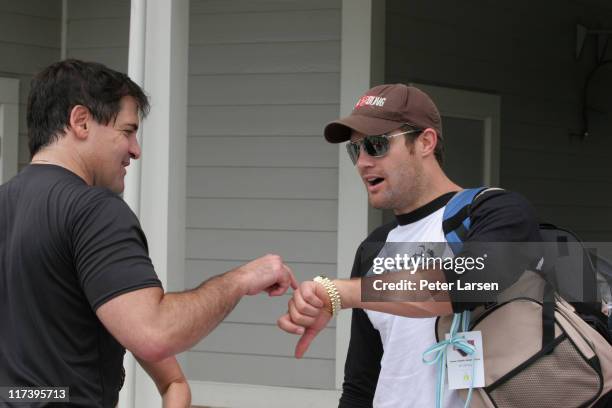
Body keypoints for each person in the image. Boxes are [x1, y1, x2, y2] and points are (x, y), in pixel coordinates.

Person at [0, 59, 297, 408]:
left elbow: (170, 380)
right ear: (80, 121)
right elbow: (154, 332)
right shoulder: (93, 210)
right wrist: (242, 278)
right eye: (127, 131)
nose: (135, 149)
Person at [277, 84, 542, 407]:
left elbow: (470, 282)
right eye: (354, 150)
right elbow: (362, 384)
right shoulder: (373, 248)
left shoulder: (494, 211)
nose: (362, 162)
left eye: (375, 145)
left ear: (425, 142)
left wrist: (342, 293)